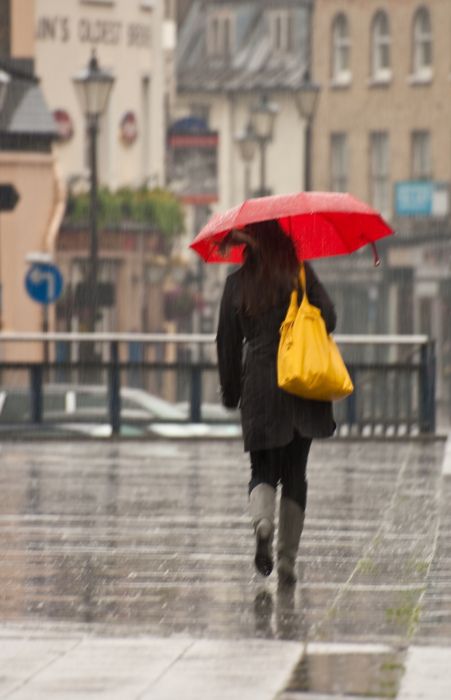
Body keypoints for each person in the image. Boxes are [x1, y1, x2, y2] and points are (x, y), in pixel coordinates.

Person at [216, 219, 337, 585]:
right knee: (296, 473)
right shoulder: (300, 273)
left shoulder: (237, 283)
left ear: (248, 247)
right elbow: (330, 318)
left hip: (260, 387)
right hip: (301, 381)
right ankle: (286, 559)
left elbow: (226, 342)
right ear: (284, 242)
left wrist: (231, 391)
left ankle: (263, 524)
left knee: (262, 470)